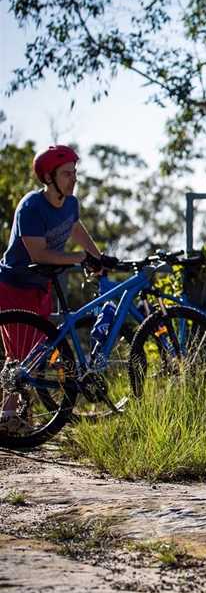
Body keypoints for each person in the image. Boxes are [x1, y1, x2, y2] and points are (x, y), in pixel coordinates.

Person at [0, 145, 108, 433]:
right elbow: (38, 254)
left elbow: (75, 228)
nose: (73, 179)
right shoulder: (31, 207)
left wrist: (97, 258)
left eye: (75, 173)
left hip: (42, 285)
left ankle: (23, 413)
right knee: (17, 354)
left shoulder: (70, 204)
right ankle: (7, 414)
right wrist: (79, 258)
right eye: (66, 174)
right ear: (49, 178)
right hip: (15, 284)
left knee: (36, 352)